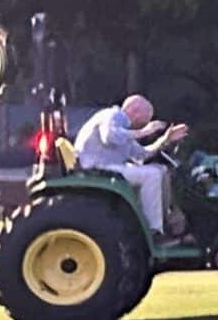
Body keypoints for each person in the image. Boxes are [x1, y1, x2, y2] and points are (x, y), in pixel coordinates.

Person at [71, 95, 188, 241]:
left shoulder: (125, 129)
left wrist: (166, 139)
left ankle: (165, 223)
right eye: (145, 120)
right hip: (97, 168)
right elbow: (109, 136)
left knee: (161, 171)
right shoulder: (111, 115)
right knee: (152, 175)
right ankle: (153, 232)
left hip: (109, 167)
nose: (145, 124)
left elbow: (142, 155)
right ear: (135, 111)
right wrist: (144, 131)